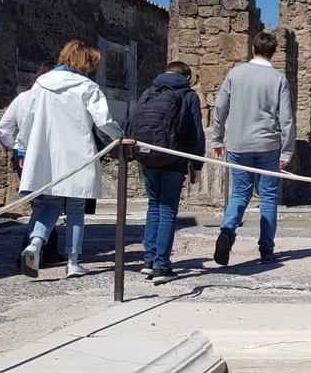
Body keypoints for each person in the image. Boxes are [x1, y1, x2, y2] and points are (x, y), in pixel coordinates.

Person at [16, 41, 123, 279]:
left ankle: (34, 244)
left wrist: (22, 149)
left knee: (51, 206)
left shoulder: (42, 84)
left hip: (47, 155)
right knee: (75, 210)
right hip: (77, 156)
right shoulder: (88, 87)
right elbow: (103, 121)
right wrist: (121, 136)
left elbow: (28, 118)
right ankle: (73, 262)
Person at [212, 32, 296, 266]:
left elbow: (220, 109)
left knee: (240, 193)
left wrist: (217, 140)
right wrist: (287, 150)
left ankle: (226, 233)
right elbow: (287, 119)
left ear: (252, 49)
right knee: (268, 197)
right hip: (269, 144)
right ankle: (266, 250)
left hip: (238, 143)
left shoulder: (235, 74)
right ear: (273, 53)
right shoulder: (279, 79)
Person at [127, 61, 205, 284]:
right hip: (174, 157)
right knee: (168, 209)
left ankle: (149, 260)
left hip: (148, 156)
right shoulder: (188, 95)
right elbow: (196, 134)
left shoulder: (149, 92)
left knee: (154, 206)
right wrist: (196, 166)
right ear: (187, 77)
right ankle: (162, 266)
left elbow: (132, 123)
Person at [0, 61, 65, 266]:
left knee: (39, 203)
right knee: (49, 204)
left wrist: (14, 148)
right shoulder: (55, 100)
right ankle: (32, 247)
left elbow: (4, 128)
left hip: (23, 156)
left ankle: (44, 248)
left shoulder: (22, 98)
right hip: (50, 155)